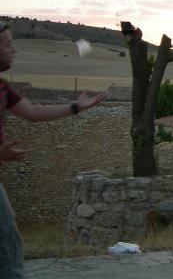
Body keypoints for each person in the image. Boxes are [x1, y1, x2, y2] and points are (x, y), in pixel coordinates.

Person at [0, 20, 107, 278]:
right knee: (8, 254)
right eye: (7, 45)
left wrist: (75, 107)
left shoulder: (1, 87)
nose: (14, 50)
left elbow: (34, 112)